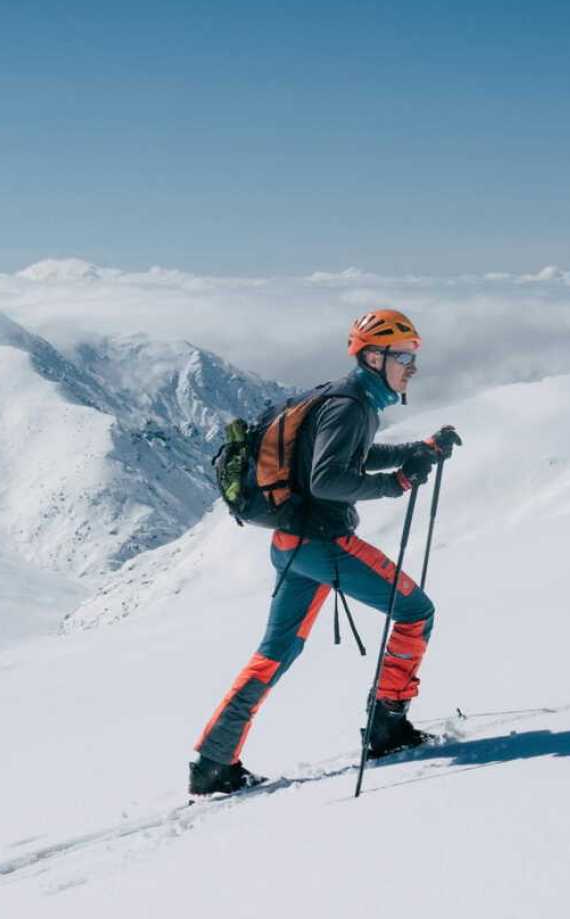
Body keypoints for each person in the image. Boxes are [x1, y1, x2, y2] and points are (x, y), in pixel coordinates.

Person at [189, 309, 461, 795]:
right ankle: (387, 727)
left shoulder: (346, 397)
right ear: (374, 357)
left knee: (274, 653)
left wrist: (417, 450)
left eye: (413, 356)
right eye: (403, 355)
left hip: (293, 545)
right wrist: (397, 483)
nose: (412, 366)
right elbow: (328, 478)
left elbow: (348, 456)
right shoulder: (351, 404)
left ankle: (214, 762)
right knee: (416, 613)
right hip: (323, 545)